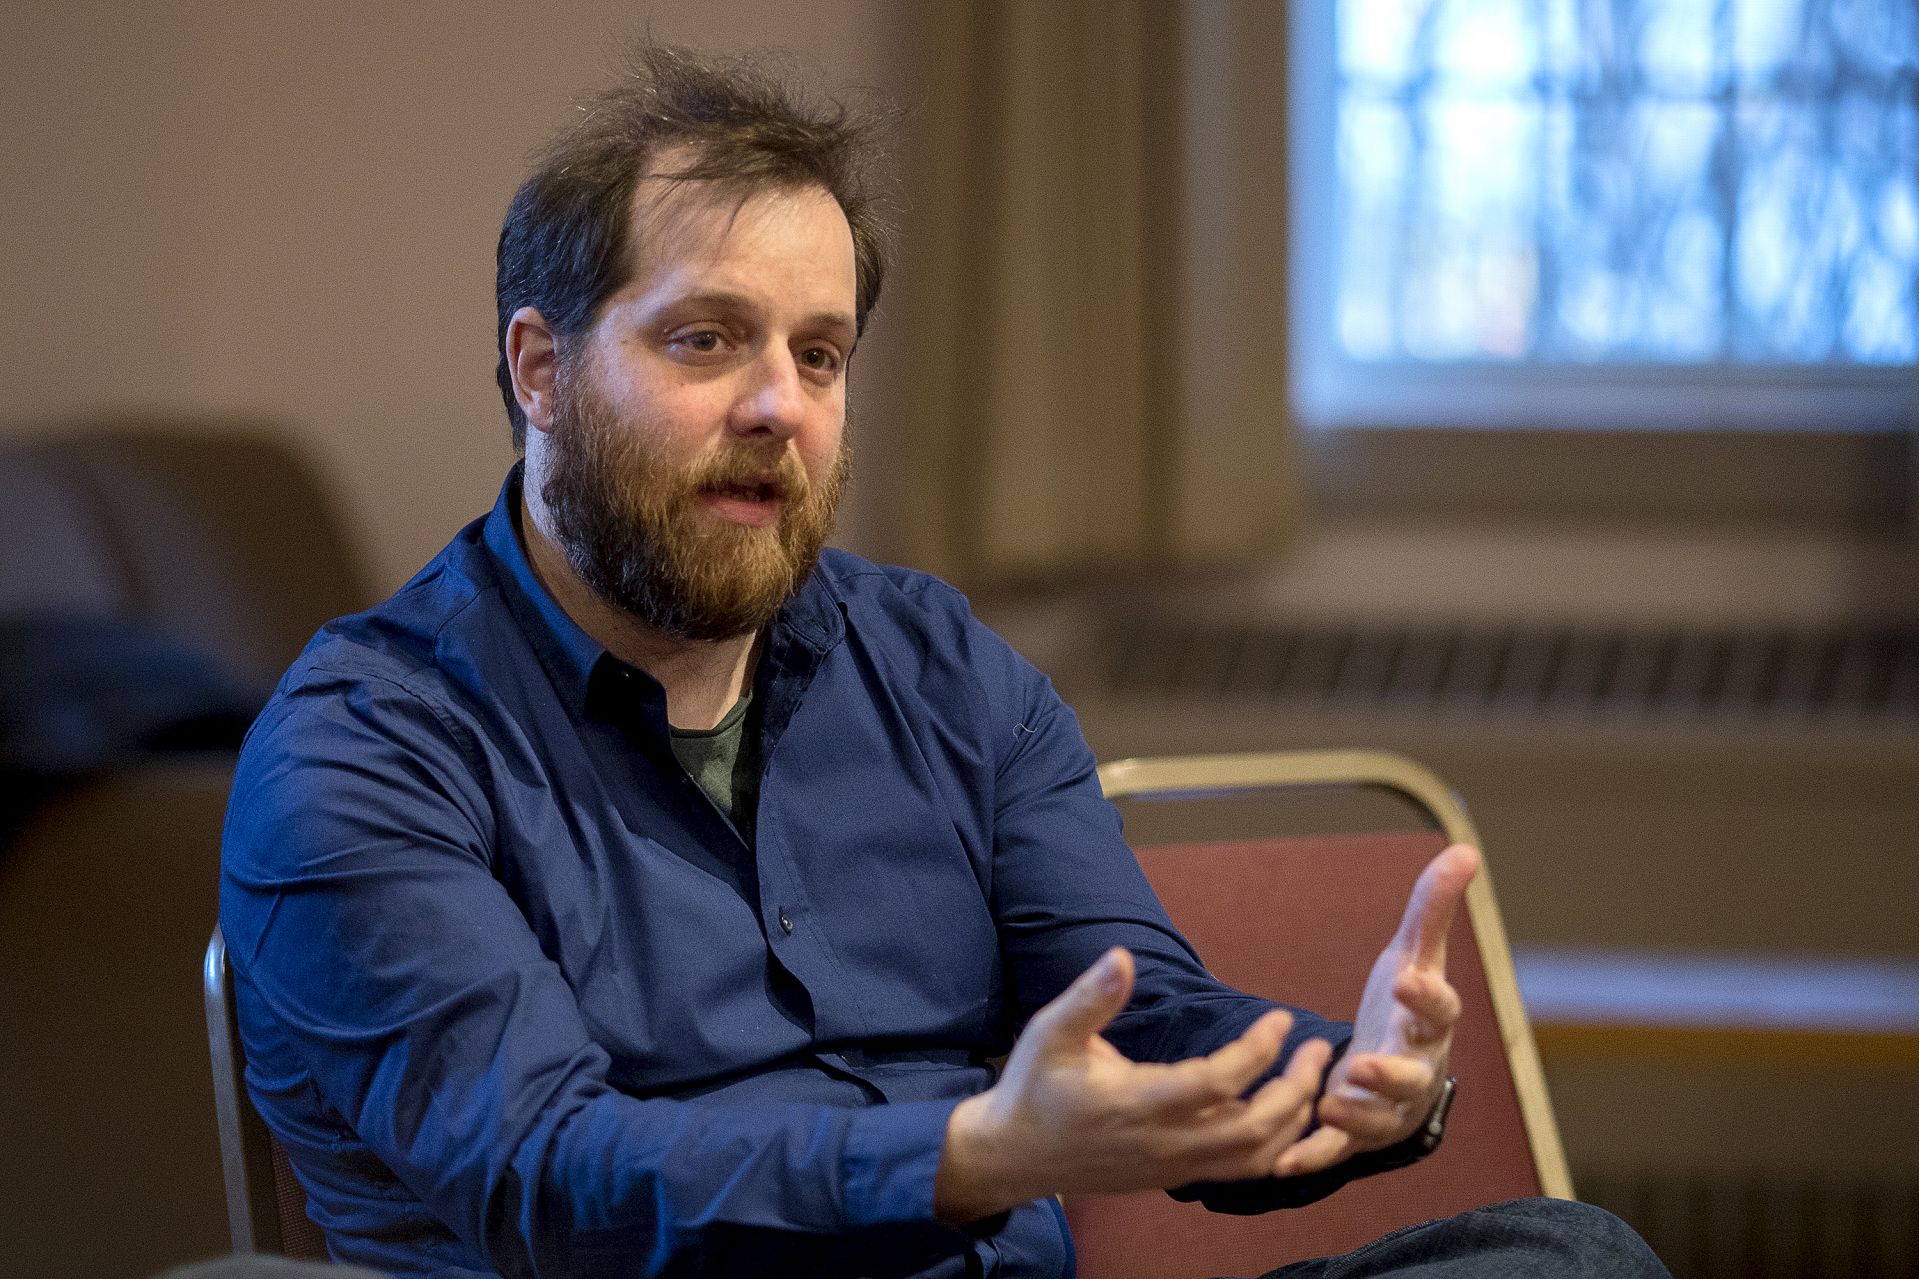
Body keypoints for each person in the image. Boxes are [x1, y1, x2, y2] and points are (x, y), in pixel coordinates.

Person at [220, 45, 1668, 1279]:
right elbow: (547, 1172)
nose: (780, 405)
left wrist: (1346, 1081)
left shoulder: (935, 666)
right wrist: (968, 1153)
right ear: (540, 371)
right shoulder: (363, 747)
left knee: (1569, 1257)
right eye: (709, 340)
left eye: (823, 353)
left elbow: (1148, 1018)